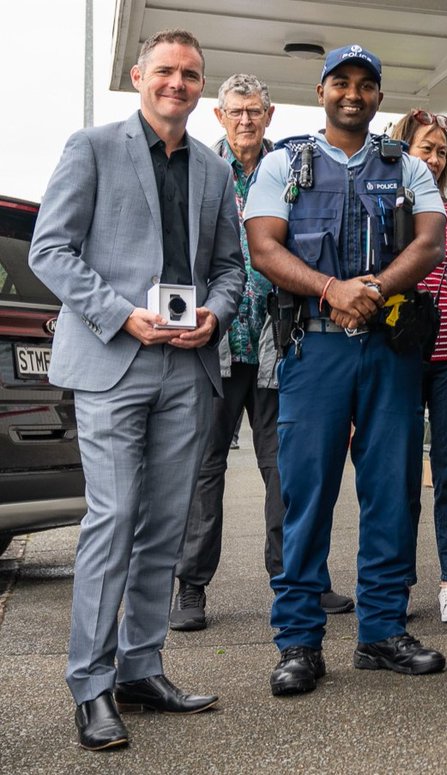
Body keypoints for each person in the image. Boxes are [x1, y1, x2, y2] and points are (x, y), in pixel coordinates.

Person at [28, 29, 245, 751]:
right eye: (165, 72)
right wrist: (122, 314)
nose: (178, 84)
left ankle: (140, 668)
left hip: (187, 361)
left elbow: (231, 267)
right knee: (114, 517)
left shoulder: (214, 169)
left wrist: (216, 311)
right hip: (114, 357)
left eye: (190, 74)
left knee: (166, 524)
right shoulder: (91, 147)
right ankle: (89, 684)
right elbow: (49, 249)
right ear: (138, 75)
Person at [244, 44, 447, 697]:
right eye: (341, 82)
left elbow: (429, 240)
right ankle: (299, 641)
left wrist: (378, 288)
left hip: (389, 347)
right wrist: (332, 288)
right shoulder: (284, 163)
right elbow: (263, 245)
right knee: (308, 494)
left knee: (391, 491)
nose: (353, 93)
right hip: (316, 346)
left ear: (379, 97)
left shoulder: (407, 165)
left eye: (365, 84)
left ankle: (383, 630)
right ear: (322, 89)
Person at [169, 73, 352, 632]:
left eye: (254, 111)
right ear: (218, 117)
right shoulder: (198, 170)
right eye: (235, 112)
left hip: (280, 342)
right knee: (205, 469)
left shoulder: (291, 170)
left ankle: (297, 578)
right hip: (213, 344)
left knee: (287, 471)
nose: (245, 120)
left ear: (269, 116)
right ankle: (191, 587)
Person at [388, 109, 447, 623]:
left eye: (441, 151)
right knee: (397, 474)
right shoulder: (386, 211)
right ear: (404, 151)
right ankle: (397, 582)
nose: (435, 159)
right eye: (426, 148)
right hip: (400, 355)